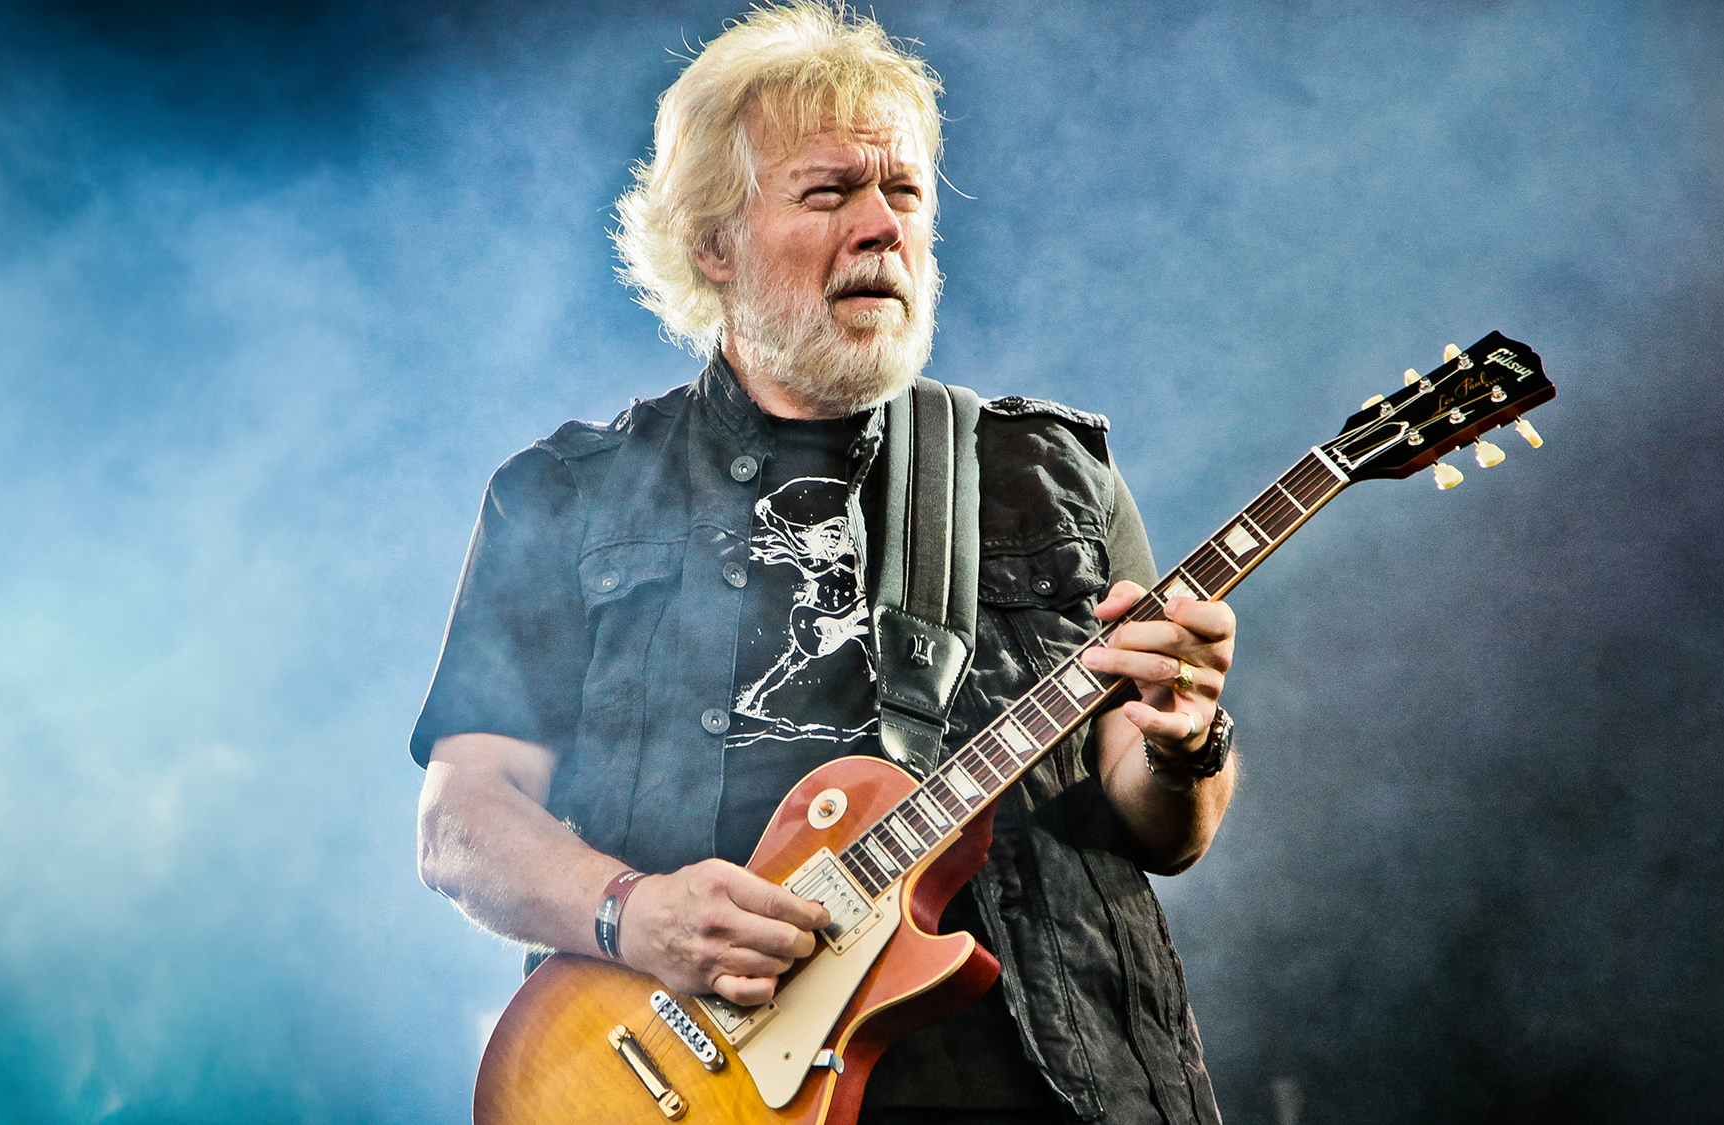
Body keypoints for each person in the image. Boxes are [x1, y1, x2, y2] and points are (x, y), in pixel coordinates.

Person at [411, 5, 1238, 1122]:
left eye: (903, 194)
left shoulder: (1049, 473)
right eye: (828, 191)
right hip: (688, 1084)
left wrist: (1184, 740)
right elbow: (463, 818)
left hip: (1046, 1081)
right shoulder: (563, 495)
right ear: (712, 243)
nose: (881, 227)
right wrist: (633, 913)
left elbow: (1159, 822)